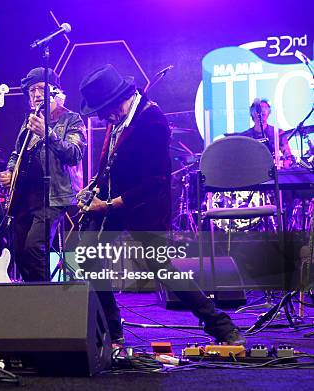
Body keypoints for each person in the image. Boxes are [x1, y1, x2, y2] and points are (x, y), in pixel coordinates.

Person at [76, 64, 246, 345]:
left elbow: (154, 182)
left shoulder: (151, 120)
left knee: (162, 268)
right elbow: (114, 163)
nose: (102, 117)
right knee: (88, 256)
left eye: (103, 110)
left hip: (144, 205)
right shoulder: (118, 118)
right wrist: (94, 185)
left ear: (118, 100)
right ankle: (112, 332)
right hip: (112, 201)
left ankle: (221, 324)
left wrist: (105, 205)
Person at [0, 67, 86, 282]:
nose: (36, 95)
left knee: (34, 248)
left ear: (54, 92)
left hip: (52, 197)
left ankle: (47, 299)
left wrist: (47, 133)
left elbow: (74, 154)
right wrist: (10, 171)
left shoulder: (71, 119)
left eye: (41, 89)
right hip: (24, 199)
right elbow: (17, 153)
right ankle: (33, 298)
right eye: (31, 91)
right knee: (18, 251)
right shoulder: (29, 122)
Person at [238, 99, 294, 169]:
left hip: (274, 172)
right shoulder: (245, 136)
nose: (263, 110)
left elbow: (288, 155)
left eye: (266, 108)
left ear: (269, 112)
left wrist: (286, 164)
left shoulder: (278, 133)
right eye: (260, 108)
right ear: (252, 112)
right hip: (252, 172)